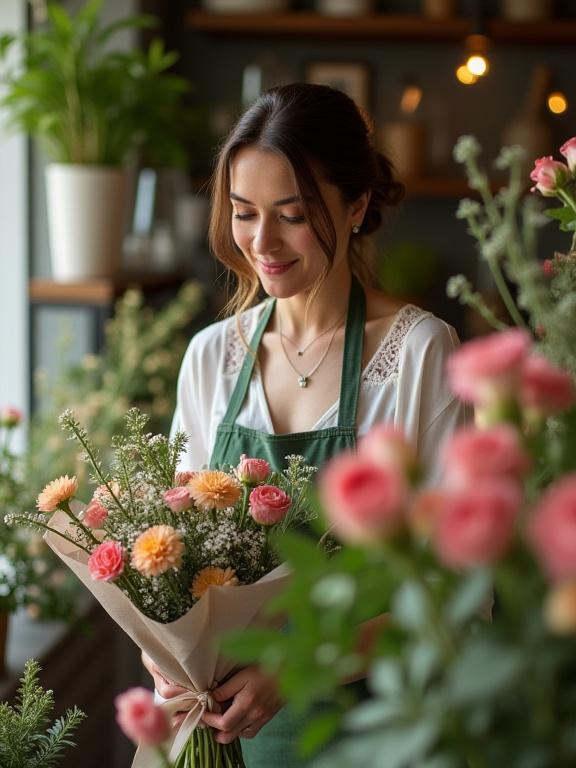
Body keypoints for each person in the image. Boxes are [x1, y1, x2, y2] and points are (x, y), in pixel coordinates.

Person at [143, 82, 467, 766]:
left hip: (377, 730)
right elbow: (171, 553)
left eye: (291, 214)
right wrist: (167, 656)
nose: (263, 242)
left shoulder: (417, 353)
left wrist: (294, 667)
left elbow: (454, 591)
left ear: (355, 206)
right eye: (243, 213)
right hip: (228, 737)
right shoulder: (211, 359)